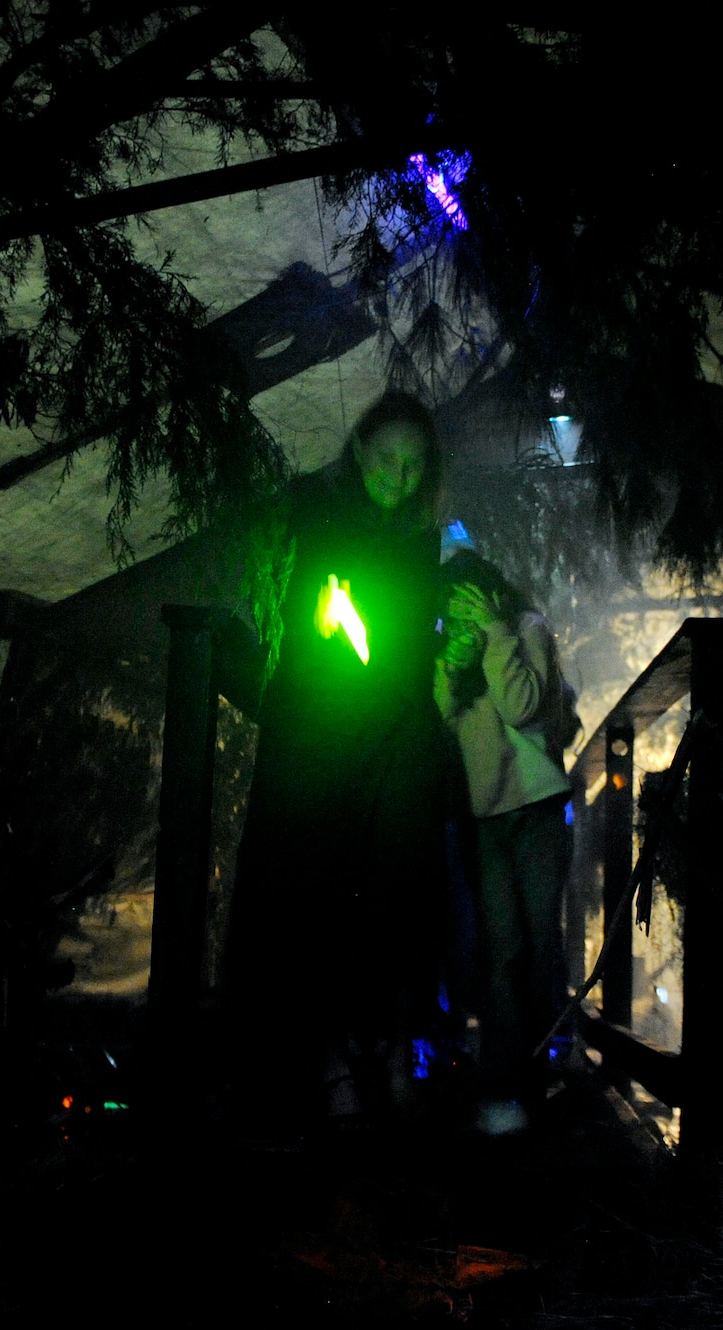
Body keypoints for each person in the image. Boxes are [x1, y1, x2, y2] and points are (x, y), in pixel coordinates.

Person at [225, 392, 459, 1125]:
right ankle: (321, 1065)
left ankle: (386, 1058)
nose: (399, 475)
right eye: (388, 458)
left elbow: (416, 652)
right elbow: (302, 629)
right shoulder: (315, 516)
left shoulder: (423, 544)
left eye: (413, 465)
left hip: (393, 747)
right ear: (358, 450)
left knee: (391, 903)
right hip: (318, 745)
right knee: (312, 900)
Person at [435, 547, 578, 1132]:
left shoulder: (527, 631)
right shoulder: (452, 650)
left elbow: (522, 708)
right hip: (487, 816)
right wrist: (451, 662)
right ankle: (502, 1080)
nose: (463, 616)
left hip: (538, 809)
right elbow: (439, 715)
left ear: (490, 593)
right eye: (453, 608)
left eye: (470, 603)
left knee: (540, 945)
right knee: (502, 951)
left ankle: (541, 1072)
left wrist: (496, 636)